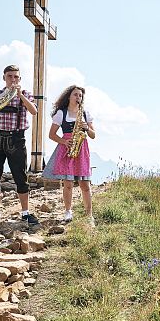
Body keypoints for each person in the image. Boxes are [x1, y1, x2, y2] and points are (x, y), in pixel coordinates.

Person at [0, 65, 39, 226]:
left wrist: (20, 95)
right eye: (10, 76)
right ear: (4, 78)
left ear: (20, 79)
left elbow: (34, 111)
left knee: (21, 177)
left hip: (16, 139)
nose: (13, 79)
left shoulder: (26, 94)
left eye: (16, 77)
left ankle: (25, 213)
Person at [42, 85, 96, 221]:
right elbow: (51, 135)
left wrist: (86, 128)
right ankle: (68, 211)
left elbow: (93, 135)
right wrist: (64, 142)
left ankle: (89, 215)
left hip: (82, 148)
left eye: (80, 95)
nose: (78, 97)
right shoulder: (61, 113)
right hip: (67, 147)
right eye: (75, 94)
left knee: (85, 184)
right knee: (68, 183)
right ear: (69, 96)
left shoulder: (85, 114)